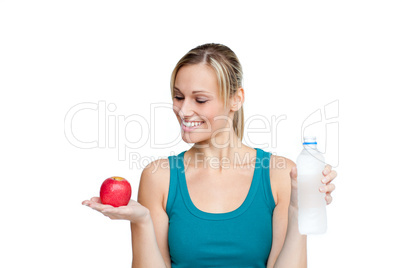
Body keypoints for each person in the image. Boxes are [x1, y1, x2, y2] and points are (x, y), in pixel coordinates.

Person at [82, 43, 337, 268]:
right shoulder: (159, 177)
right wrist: (142, 221)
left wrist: (297, 210)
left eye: (200, 100)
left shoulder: (280, 175)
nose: (183, 110)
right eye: (178, 97)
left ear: (236, 99)